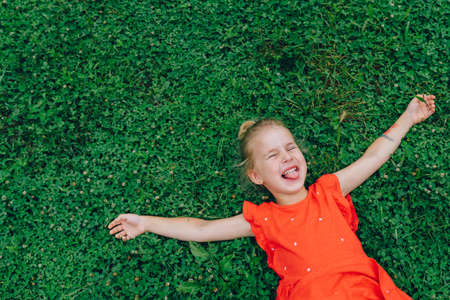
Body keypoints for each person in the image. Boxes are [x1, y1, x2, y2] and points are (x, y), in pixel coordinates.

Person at [108, 94, 436, 299]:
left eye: (290, 148)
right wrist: (146, 222)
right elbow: (202, 230)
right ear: (256, 176)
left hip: (363, 290)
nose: (287, 157)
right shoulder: (265, 219)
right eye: (272, 155)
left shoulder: (328, 191)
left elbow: (372, 158)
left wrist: (408, 117)